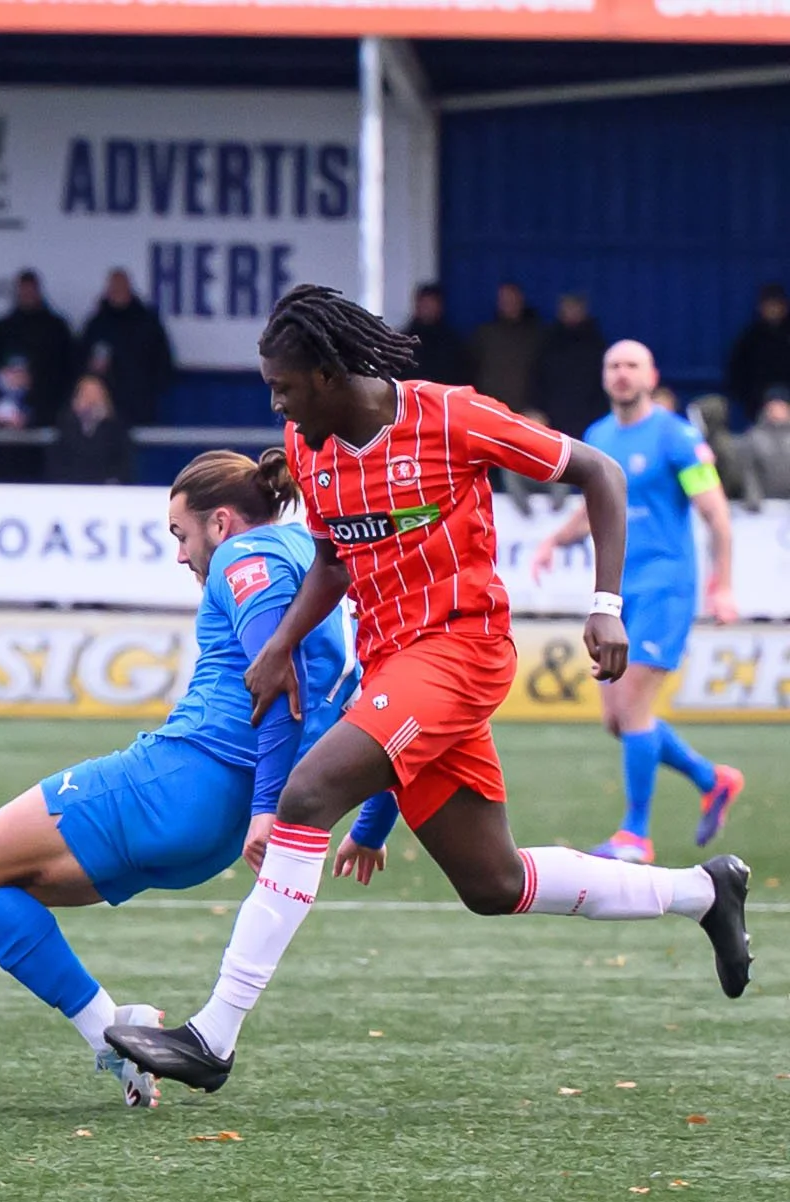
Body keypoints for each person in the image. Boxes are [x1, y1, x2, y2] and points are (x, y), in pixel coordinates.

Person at [108, 286, 753, 1096]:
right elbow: (336, 561)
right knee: (494, 883)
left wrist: (606, 602)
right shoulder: (308, 446)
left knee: (307, 792)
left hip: (460, 651)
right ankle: (704, 891)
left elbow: (599, 471)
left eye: (284, 385)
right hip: (394, 666)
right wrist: (280, 644)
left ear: (331, 371)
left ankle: (213, 1034)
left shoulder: (452, 416)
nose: (274, 402)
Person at [0, 450, 397, 1102]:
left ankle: (109, 1037)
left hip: (175, 781)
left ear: (222, 522)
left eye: (181, 535)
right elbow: (386, 701)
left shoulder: (244, 557)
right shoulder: (324, 560)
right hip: (212, 835)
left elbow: (277, 672)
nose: (180, 555)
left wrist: (268, 804)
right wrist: (371, 826)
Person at [532, 341, 741, 863]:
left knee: (631, 709)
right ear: (604, 377)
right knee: (616, 718)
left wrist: (724, 583)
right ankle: (712, 779)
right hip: (618, 592)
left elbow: (715, 513)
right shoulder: (599, 438)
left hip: (667, 586)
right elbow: (592, 512)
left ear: (652, 374)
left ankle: (635, 835)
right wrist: (554, 540)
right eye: (614, 366)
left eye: (632, 366)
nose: (622, 374)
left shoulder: (676, 436)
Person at [78, 267, 173, 430]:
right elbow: (81, 364)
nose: (117, 292)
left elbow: (164, 363)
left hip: (139, 409)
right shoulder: (97, 325)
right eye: (114, 287)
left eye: (121, 287)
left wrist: (147, 391)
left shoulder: (147, 323)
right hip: (103, 412)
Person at [0, 270, 77, 424]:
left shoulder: (56, 327)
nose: (27, 294)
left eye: (31, 289)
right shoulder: (4, 328)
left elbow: (69, 367)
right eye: (23, 289)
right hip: (9, 408)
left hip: (49, 405)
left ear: (38, 290)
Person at [533, 293, 609, 440]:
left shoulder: (595, 344)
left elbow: (602, 384)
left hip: (588, 419)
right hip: (553, 420)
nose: (571, 312)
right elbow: (538, 379)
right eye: (567, 308)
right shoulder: (549, 344)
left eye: (575, 308)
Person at [468, 281, 542, 414]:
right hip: (490, 409)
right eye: (504, 300)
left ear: (520, 300)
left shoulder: (535, 335)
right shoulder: (484, 334)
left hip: (525, 411)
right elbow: (471, 370)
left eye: (512, 299)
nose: (508, 303)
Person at [46, 374, 132, 485]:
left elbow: (123, 466)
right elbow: (57, 465)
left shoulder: (116, 429)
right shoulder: (65, 427)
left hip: (106, 491)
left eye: (96, 396)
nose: (91, 401)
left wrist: (101, 423)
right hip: (72, 489)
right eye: (86, 395)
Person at [727, 283, 790, 423]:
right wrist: (750, 398)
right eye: (769, 305)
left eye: (777, 305)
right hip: (758, 403)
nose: (773, 309)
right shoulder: (751, 337)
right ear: (761, 308)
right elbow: (737, 369)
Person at [403, 282, 470, 388]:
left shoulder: (452, 343)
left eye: (431, 303)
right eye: (424, 303)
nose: (427, 308)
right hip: (410, 398)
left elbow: (460, 377)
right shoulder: (402, 341)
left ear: (440, 307)